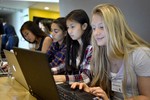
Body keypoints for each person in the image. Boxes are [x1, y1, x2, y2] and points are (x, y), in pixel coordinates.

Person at [71, 3, 150, 100]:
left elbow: (147, 97)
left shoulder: (141, 54)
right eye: (94, 28)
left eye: (102, 27)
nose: (96, 33)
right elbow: (104, 91)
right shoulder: (100, 53)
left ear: (116, 27)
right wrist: (90, 91)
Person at [53, 9, 93, 84]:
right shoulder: (74, 46)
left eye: (72, 27)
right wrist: (50, 71)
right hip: (74, 88)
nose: (69, 31)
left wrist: (62, 78)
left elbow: (86, 77)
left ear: (84, 26)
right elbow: (65, 65)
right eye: (68, 27)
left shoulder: (91, 48)